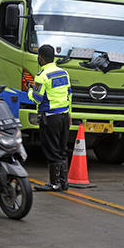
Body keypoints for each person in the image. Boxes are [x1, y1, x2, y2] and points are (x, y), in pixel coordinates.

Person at [28, 44, 72, 191]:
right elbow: (69, 95)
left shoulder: (42, 76)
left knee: (51, 150)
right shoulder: (64, 73)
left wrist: (30, 90)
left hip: (51, 118)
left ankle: (54, 183)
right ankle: (63, 182)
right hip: (64, 116)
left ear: (40, 57)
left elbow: (37, 98)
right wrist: (70, 114)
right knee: (61, 149)